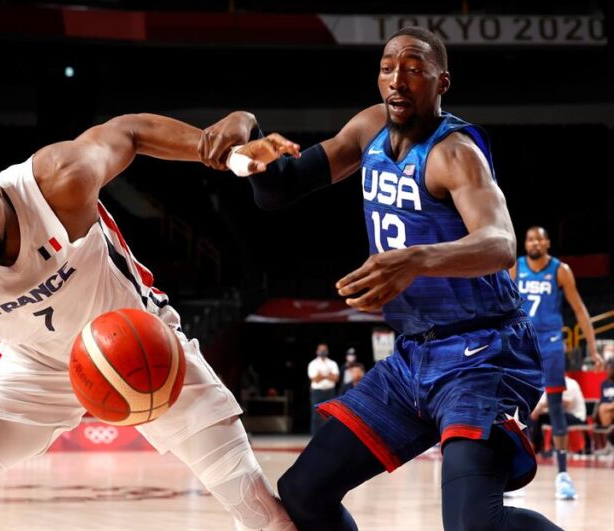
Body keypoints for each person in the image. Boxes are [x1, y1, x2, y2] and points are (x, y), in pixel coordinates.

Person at [199, 26, 562, 531]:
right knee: (304, 493)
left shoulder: (455, 152)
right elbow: (280, 189)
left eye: (414, 69)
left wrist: (415, 260)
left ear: (441, 82)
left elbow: (501, 244)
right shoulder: (369, 127)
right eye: (388, 68)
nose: (397, 79)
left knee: (473, 524)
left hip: (483, 352)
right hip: (413, 355)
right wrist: (249, 138)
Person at [0, 116, 293, 531]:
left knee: (262, 513)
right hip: (33, 367)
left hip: (138, 343)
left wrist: (226, 155)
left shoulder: (57, 181)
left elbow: (130, 132)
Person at [510, 226, 604, 499]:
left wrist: (593, 350)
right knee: (517, 408)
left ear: (548, 243)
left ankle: (563, 475)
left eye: (540, 239)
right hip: (523, 341)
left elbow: (579, 309)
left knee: (555, 407)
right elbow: (502, 304)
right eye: (530, 239)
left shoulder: (560, 270)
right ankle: (517, 475)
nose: (535, 243)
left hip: (551, 343)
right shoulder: (516, 267)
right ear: (525, 244)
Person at [307, 343, 339, 434]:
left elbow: (336, 378)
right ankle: (315, 435)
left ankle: (329, 435)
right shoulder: (313, 364)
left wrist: (321, 375)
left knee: (330, 414)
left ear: (327, 351)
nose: (322, 351)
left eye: (324, 350)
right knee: (316, 415)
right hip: (317, 392)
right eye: (321, 350)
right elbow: (314, 379)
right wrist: (328, 375)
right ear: (317, 351)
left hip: (330, 392)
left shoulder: (332, 363)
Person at [593, 358, 614, 453]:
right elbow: (603, 400)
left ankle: (610, 443)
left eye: (611, 368)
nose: (608, 371)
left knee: (603, 408)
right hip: (607, 410)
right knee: (603, 408)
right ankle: (610, 443)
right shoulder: (604, 384)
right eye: (607, 369)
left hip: (609, 408)